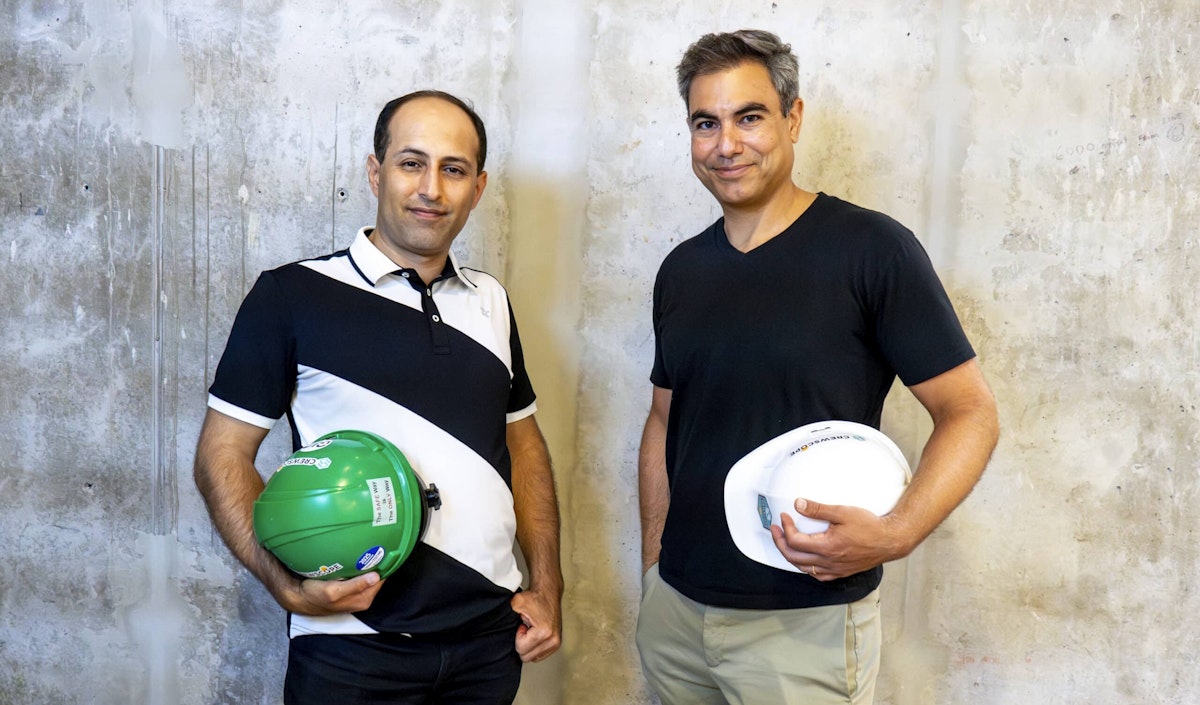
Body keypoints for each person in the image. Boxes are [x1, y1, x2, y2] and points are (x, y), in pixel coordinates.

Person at [635, 30, 1000, 704]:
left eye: (750, 117)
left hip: (803, 625)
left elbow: (969, 410)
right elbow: (663, 422)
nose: (727, 143)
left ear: (792, 118)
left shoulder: (872, 250)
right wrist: (654, 567)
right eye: (705, 123)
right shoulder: (681, 270)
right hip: (676, 618)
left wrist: (897, 532)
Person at [194, 90, 562, 705]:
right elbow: (221, 455)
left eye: (454, 169)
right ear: (375, 171)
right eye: (411, 163)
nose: (431, 189)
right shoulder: (291, 296)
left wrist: (547, 585)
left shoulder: (490, 301)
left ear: (478, 186)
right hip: (351, 645)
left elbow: (523, 447)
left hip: (489, 645)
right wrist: (283, 583)